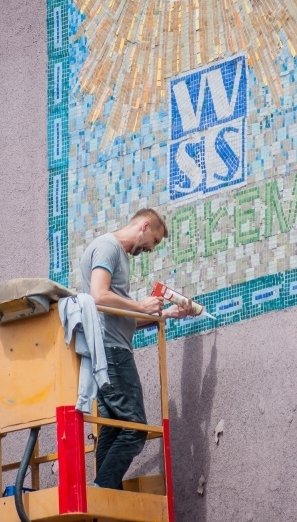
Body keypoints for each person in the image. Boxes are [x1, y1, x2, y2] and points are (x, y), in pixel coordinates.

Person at [80, 208, 192, 489]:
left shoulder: (114, 253)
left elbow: (118, 315)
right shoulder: (108, 247)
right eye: (153, 241)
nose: (151, 250)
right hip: (113, 353)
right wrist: (141, 305)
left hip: (103, 351)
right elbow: (98, 295)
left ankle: (104, 494)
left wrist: (163, 315)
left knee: (113, 430)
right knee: (135, 428)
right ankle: (104, 488)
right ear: (144, 226)